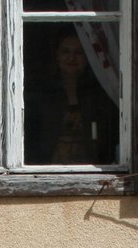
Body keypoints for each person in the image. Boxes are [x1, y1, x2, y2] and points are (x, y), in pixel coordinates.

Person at [24, 28, 119, 166]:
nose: (71, 58)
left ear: (87, 57)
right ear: (57, 55)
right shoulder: (44, 95)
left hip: (92, 170)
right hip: (48, 170)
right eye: (65, 52)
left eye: (78, 52)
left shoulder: (99, 95)